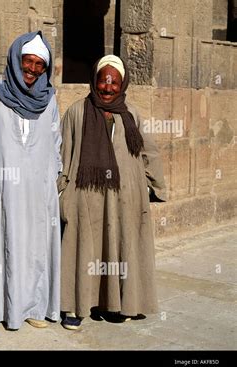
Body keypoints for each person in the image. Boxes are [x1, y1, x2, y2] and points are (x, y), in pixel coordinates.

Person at [58, 55, 167, 330]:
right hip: (87, 194)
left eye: (114, 83)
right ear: (94, 81)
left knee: (119, 248)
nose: (107, 88)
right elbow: (63, 153)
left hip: (125, 196)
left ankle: (117, 304)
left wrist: (156, 187)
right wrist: (60, 191)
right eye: (102, 81)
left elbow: (148, 152)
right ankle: (76, 307)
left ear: (122, 84)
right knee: (84, 248)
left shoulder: (132, 114)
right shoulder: (76, 112)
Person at [0, 31, 61, 330]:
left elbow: (56, 143)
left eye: (39, 65)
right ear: (16, 61)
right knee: (5, 244)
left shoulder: (50, 100)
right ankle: (0, 309)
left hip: (38, 190)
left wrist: (51, 179)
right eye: (27, 62)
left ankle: (33, 307)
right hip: (5, 187)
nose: (32, 69)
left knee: (35, 247)